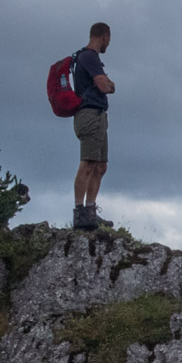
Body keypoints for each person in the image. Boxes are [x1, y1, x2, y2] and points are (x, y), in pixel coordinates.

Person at [71, 23, 115, 230]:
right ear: (104, 36)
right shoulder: (89, 57)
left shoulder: (89, 58)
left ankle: (90, 211)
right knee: (88, 163)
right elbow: (105, 86)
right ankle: (80, 213)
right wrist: (109, 84)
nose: (109, 43)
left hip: (97, 116)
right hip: (89, 115)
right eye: (109, 38)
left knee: (100, 166)